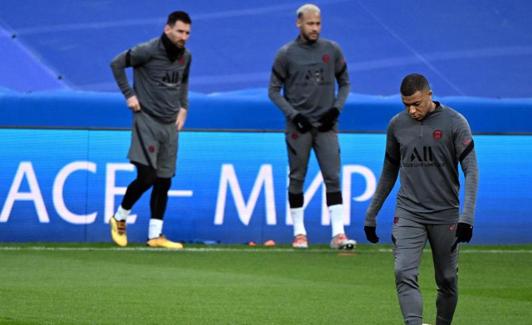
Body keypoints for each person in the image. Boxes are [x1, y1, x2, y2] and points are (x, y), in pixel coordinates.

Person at [364, 73, 479, 325]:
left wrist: (466, 217)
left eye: (417, 103)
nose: (412, 110)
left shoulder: (455, 122)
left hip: (445, 214)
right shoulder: (397, 125)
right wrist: (371, 214)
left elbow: (471, 170)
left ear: (429, 94)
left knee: (447, 279)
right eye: (406, 105)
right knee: (402, 271)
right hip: (408, 213)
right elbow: (388, 171)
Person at [268, 4, 355, 250]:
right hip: (299, 127)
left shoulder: (332, 50)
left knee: (333, 177)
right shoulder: (286, 54)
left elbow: (345, 84)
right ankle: (299, 233)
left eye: (318, 23)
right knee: (297, 177)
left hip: (326, 126)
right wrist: (294, 115)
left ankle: (338, 234)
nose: (315, 28)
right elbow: (273, 91)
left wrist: (335, 109)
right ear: (299, 24)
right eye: (310, 24)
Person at [109, 11, 192, 249]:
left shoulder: (186, 56)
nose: (183, 37)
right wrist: (129, 94)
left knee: (164, 179)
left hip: (170, 124)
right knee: (147, 176)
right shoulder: (147, 50)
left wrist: (183, 107)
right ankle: (119, 217)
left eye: (187, 33)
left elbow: (184, 80)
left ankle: (155, 235)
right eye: (179, 31)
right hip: (147, 120)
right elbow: (116, 64)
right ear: (167, 29)